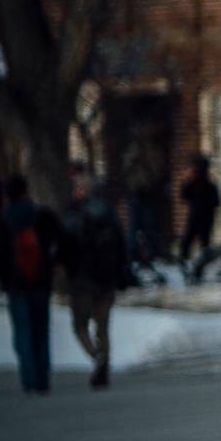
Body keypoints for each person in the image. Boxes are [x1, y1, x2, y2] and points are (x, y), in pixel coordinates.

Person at [0, 174, 65, 395]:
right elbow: (60, 241)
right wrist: (51, 266)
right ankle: (43, 377)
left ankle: (29, 377)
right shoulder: (42, 215)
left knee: (23, 331)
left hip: (17, 284)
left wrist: (5, 279)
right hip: (40, 282)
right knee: (41, 330)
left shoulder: (3, 220)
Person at [60, 162, 131, 390]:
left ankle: (96, 356)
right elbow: (121, 244)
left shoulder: (74, 216)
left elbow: (65, 249)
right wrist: (120, 272)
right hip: (106, 278)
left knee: (80, 326)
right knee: (103, 327)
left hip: (82, 281)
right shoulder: (107, 213)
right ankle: (103, 363)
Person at [177, 154, 221, 263]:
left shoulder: (208, 185)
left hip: (203, 215)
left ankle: (201, 263)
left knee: (202, 241)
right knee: (190, 240)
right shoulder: (194, 184)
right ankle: (186, 260)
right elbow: (184, 196)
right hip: (197, 215)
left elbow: (216, 201)